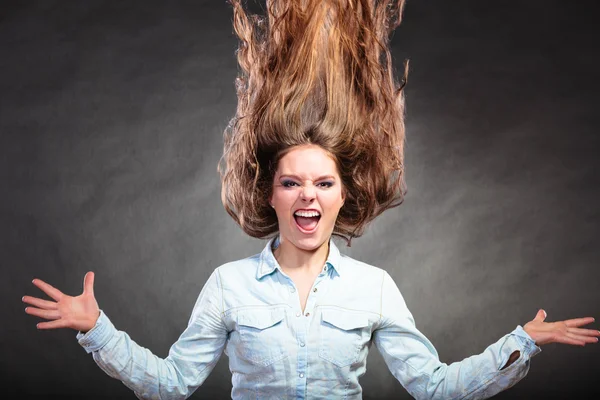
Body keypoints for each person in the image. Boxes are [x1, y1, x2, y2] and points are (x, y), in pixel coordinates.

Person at [23, 0, 599, 399]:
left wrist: (523, 343)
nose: (308, 195)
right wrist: (95, 327)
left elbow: (435, 386)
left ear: (342, 197)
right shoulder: (229, 285)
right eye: (291, 182)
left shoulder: (373, 289)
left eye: (323, 183)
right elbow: (171, 383)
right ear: (268, 194)